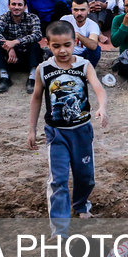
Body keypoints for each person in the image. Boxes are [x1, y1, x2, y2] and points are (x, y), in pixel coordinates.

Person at [27, 20, 107, 235]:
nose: (62, 50)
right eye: (56, 46)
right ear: (48, 44)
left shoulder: (84, 65)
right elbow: (36, 98)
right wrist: (31, 129)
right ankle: (59, 229)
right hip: (56, 133)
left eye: (67, 45)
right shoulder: (43, 69)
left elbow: (98, 87)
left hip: (82, 131)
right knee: (59, 179)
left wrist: (102, 107)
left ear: (75, 42)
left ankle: (81, 205)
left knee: (85, 175)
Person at [0, 0, 42, 94]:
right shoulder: (4, 17)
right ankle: (4, 77)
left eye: (20, 5)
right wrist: (9, 48)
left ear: (25, 7)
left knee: (35, 45)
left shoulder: (32, 17)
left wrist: (16, 42)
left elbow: (37, 34)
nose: (16, 7)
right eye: (13, 4)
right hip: (10, 58)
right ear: (9, 6)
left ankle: (32, 78)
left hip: (27, 55)